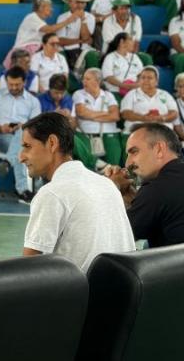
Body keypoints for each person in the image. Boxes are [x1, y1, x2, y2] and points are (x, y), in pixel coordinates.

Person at [20, 112, 135, 272]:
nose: (21, 157)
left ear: (52, 143)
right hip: (118, 291)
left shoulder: (52, 194)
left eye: (27, 146)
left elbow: (27, 269)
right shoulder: (106, 184)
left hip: (81, 294)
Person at [104, 123, 184, 247]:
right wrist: (128, 195)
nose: (128, 163)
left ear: (159, 149)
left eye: (134, 152)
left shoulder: (156, 188)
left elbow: (112, 237)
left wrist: (110, 187)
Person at [0, 66, 41, 203]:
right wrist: (0, 128)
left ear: (24, 82)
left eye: (17, 84)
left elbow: (36, 127)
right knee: (22, 147)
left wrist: (22, 128)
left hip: (24, 140)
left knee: (25, 130)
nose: (14, 87)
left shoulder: (33, 101)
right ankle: (23, 191)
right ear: (6, 81)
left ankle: (8, 162)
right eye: (11, 84)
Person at [74, 68, 124, 167]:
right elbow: (82, 113)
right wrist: (105, 113)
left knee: (113, 165)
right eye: (84, 79)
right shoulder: (79, 94)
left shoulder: (108, 95)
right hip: (86, 133)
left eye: (87, 79)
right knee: (88, 165)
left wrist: (91, 116)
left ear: (97, 81)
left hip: (109, 132)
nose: (84, 81)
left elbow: (115, 116)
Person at [120, 66, 178, 137]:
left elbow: (174, 113)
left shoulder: (165, 94)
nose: (145, 80)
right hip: (137, 132)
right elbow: (125, 114)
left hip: (162, 132)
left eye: (149, 78)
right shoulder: (132, 94)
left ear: (156, 81)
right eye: (143, 78)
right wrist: (144, 118)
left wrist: (161, 118)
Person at [101, 32, 145, 98]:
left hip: (135, 91)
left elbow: (142, 74)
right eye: (130, 39)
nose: (133, 42)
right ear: (122, 42)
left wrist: (137, 84)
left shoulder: (134, 57)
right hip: (116, 91)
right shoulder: (110, 57)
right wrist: (124, 86)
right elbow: (108, 77)